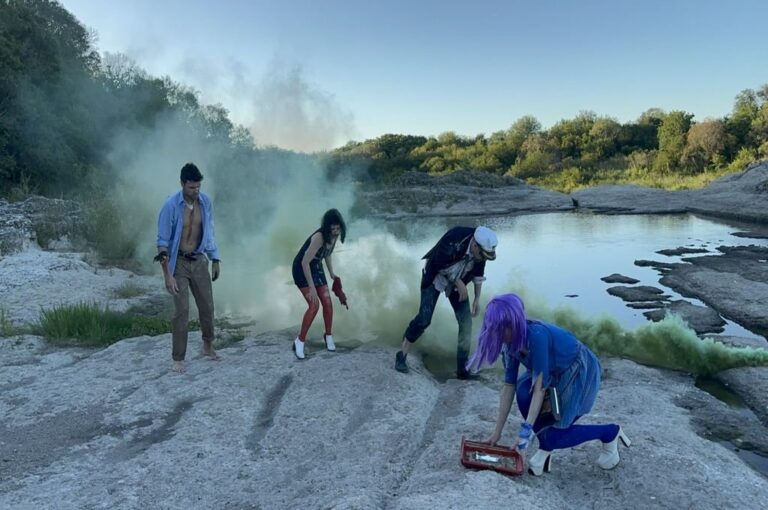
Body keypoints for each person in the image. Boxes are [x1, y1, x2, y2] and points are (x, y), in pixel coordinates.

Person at [467, 293, 630, 476]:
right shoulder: (510, 344)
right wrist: (496, 434)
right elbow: (508, 387)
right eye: (496, 328)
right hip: (552, 372)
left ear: (515, 322)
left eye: (504, 327)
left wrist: (525, 434)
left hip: (577, 370)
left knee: (557, 435)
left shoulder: (536, 336)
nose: (499, 333)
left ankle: (610, 433)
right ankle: (546, 446)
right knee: (522, 391)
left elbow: (539, 389)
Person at [395, 226, 497, 379]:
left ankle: (462, 370)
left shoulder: (481, 252)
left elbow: (478, 273)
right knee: (424, 319)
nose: (483, 259)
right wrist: (458, 282)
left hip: (458, 280)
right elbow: (438, 263)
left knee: (466, 323)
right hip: (435, 275)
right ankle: (402, 354)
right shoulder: (455, 238)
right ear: (475, 245)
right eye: (482, 255)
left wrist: (476, 298)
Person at [156, 162, 221, 373]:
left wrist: (215, 258)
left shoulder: (205, 202)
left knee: (207, 306)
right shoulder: (170, 206)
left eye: (198, 187)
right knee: (182, 310)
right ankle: (178, 357)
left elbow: (209, 231)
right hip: (179, 262)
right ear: (183, 184)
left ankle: (208, 345)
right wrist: (167, 275)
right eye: (192, 187)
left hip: (199, 259)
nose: (196, 191)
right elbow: (162, 242)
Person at [291, 209, 347, 359]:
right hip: (301, 269)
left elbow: (327, 254)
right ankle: (300, 341)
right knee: (314, 305)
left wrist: (331, 273)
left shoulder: (334, 236)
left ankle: (328, 336)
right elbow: (304, 262)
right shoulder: (319, 237)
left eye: (338, 228)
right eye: (333, 229)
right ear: (327, 227)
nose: (335, 232)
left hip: (316, 266)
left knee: (328, 303)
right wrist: (311, 288)